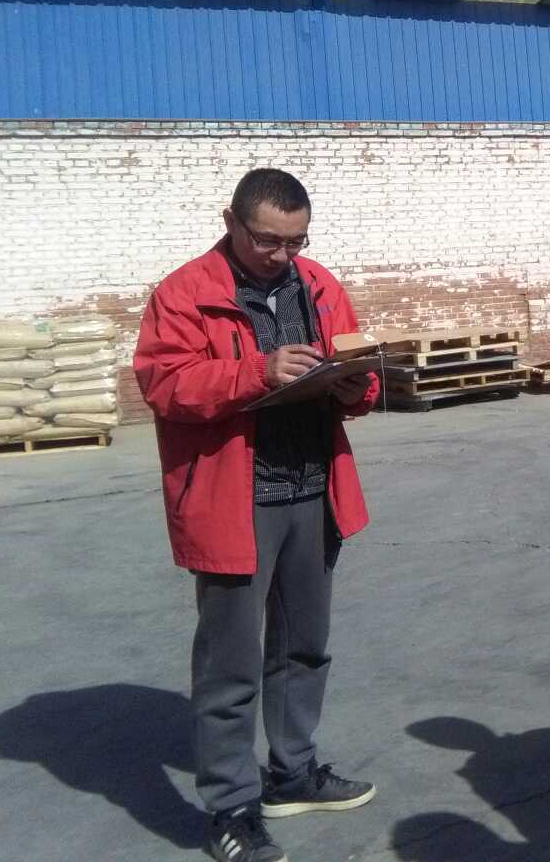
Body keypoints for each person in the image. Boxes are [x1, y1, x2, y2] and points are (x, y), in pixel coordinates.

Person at [135, 168, 380, 862]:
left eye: (296, 241)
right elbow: (165, 383)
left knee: (305, 646)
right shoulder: (185, 293)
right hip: (232, 500)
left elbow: (354, 369)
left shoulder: (318, 285)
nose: (282, 255)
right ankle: (231, 808)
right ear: (231, 221)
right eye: (268, 240)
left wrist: (356, 384)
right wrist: (258, 372)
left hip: (313, 489)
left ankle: (293, 773)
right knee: (230, 666)